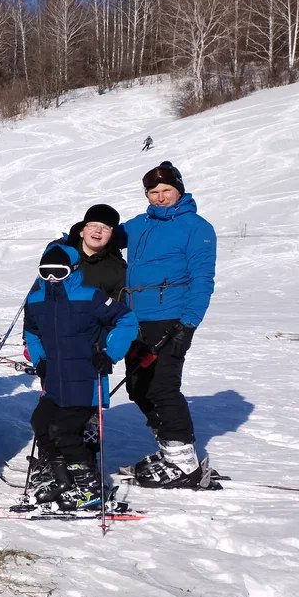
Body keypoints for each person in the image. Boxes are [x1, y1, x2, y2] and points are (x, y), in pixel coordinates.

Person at [122, 161, 217, 487]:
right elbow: (101, 233)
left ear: (179, 190)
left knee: (162, 386)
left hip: (170, 318)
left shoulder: (196, 227)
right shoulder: (139, 224)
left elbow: (202, 279)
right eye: (154, 192)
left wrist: (187, 324)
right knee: (137, 387)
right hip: (133, 319)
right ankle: (169, 450)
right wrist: (67, 243)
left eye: (167, 191)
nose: (161, 197)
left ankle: (183, 461)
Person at [24, 244, 137, 507]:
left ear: (73, 271)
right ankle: (64, 480)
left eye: (59, 272)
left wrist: (110, 353)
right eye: (46, 272)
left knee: (63, 430)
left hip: (85, 378)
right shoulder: (35, 300)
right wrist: (40, 359)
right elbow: (32, 332)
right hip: (54, 379)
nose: (52, 278)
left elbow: (127, 320)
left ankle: (90, 487)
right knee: (41, 422)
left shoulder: (90, 296)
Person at [60, 203, 127, 300]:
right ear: (81, 232)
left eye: (105, 228)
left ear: (111, 237)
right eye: (92, 225)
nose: (98, 231)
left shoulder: (118, 269)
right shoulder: (62, 257)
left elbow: (118, 309)